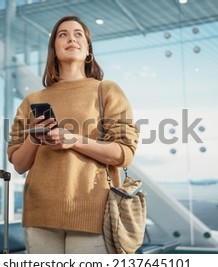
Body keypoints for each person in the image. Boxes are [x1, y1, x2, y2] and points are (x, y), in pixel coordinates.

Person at [7, 15, 138, 254]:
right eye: (63, 34)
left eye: (79, 34)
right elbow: (18, 164)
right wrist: (34, 138)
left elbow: (124, 153)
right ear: (54, 49)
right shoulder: (33, 100)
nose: (71, 38)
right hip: (39, 215)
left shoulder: (105, 90)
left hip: (93, 213)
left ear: (88, 50)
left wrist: (73, 139)